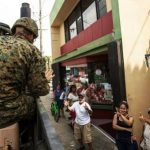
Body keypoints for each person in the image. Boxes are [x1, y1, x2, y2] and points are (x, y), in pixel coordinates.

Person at [0, 17, 51, 146]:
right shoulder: (31, 50)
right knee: (32, 101)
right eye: (33, 38)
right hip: (6, 111)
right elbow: (39, 89)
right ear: (31, 35)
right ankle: (26, 139)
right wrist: (45, 80)